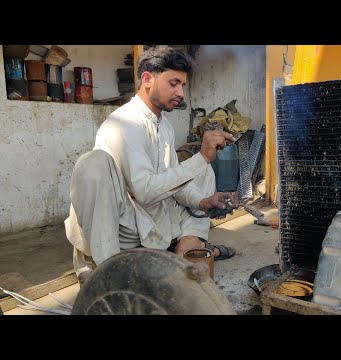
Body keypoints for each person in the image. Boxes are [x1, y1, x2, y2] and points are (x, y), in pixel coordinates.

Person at [64, 45, 236, 285]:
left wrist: (203, 201)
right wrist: (202, 157)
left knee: (202, 172)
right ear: (147, 79)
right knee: (92, 163)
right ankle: (106, 273)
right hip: (123, 223)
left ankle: (186, 244)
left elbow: (172, 180)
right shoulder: (123, 122)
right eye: (173, 83)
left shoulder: (163, 124)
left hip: (154, 215)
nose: (180, 93)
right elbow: (144, 192)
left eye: (182, 86)